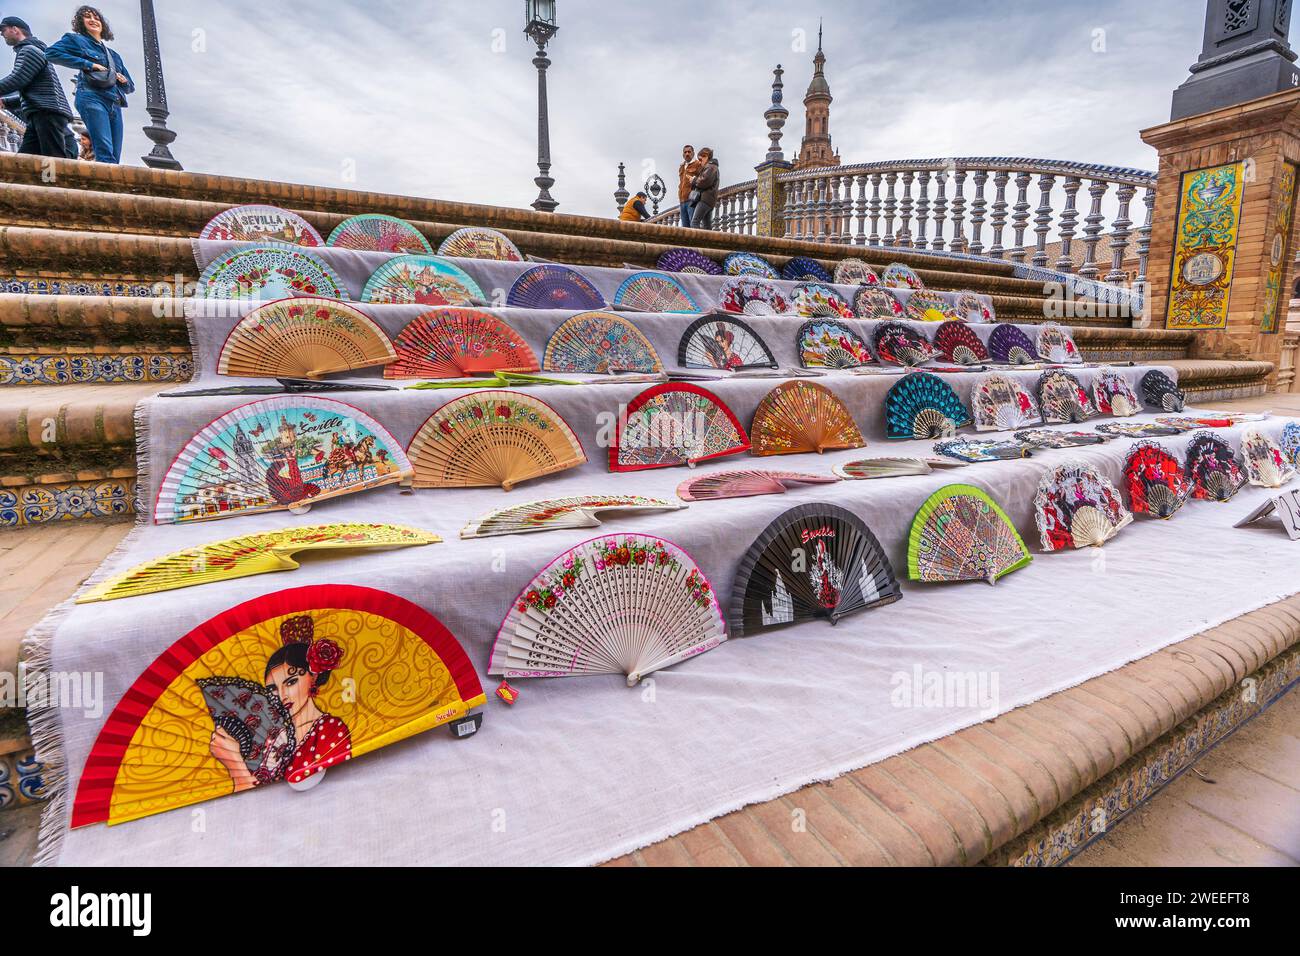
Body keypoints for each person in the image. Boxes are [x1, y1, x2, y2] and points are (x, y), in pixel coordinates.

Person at [47, 5, 134, 164]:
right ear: (81, 22)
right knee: (104, 151)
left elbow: (130, 87)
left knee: (115, 154)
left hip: (114, 102)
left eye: (96, 17)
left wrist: (123, 80)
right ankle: (107, 188)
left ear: (102, 24)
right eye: (87, 17)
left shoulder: (114, 56)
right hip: (92, 97)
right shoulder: (76, 40)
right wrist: (88, 64)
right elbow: (51, 53)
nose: (93, 20)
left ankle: (109, 185)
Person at [0, 16, 75, 158]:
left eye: (3, 30)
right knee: (23, 162)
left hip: (47, 114)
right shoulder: (35, 50)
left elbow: (18, 79)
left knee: (52, 161)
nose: (2, 34)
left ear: (15, 29)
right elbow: (32, 91)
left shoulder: (29, 50)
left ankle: (53, 180)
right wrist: (6, 102)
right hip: (40, 114)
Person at [690, 148, 720, 230]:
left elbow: (704, 182)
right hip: (709, 200)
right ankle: (709, 243)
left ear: (706, 156)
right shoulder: (712, 167)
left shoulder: (711, 167)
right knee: (707, 226)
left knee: (694, 222)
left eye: (700, 159)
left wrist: (694, 180)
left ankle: (696, 243)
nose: (699, 162)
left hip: (705, 199)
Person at [678, 145, 703, 228]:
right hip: (682, 201)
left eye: (689, 152)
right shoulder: (682, 166)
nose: (687, 154)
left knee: (693, 226)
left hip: (692, 200)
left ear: (693, 153)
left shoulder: (698, 164)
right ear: (683, 154)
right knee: (685, 228)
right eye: (685, 152)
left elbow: (702, 180)